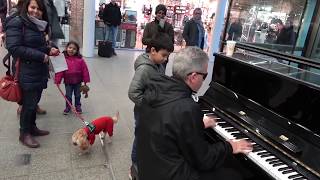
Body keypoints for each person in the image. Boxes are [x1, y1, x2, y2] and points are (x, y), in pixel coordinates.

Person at [136, 47, 253, 180]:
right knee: (234, 175)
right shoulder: (186, 107)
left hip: (148, 165)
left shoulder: (154, 88)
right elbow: (203, 160)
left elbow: (166, 124)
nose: (204, 81)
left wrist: (196, 125)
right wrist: (230, 146)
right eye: (205, 76)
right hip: (169, 175)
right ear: (193, 77)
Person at [5, 0, 60, 148]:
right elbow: (14, 47)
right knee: (28, 105)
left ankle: (32, 128)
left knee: (34, 102)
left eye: (39, 9)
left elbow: (38, 46)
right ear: (26, 7)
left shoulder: (38, 25)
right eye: (33, 7)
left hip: (39, 70)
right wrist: (41, 56)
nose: (36, 11)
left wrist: (49, 50)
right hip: (26, 71)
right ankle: (24, 134)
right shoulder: (17, 22)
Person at [128, 32, 174, 178]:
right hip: (143, 111)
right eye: (164, 55)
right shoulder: (145, 69)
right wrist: (147, 105)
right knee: (140, 136)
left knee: (148, 136)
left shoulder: (157, 63)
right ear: (153, 50)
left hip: (152, 110)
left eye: (168, 56)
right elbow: (133, 92)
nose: (166, 59)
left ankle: (144, 159)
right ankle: (134, 166)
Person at [54, 41, 90, 115]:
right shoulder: (63, 59)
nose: (71, 50)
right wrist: (57, 81)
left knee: (77, 95)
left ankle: (78, 106)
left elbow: (85, 70)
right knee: (68, 95)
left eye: (74, 49)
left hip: (78, 82)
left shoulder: (80, 60)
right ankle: (68, 107)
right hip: (68, 82)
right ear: (66, 48)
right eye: (70, 47)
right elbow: (60, 71)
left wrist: (86, 81)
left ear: (77, 51)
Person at [142, 4, 174, 69]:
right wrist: (154, 40)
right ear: (156, 13)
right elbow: (144, 40)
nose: (161, 15)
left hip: (162, 56)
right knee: (148, 72)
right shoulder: (149, 25)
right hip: (150, 54)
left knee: (160, 75)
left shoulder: (168, 27)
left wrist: (162, 31)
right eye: (159, 13)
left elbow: (171, 42)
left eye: (163, 13)